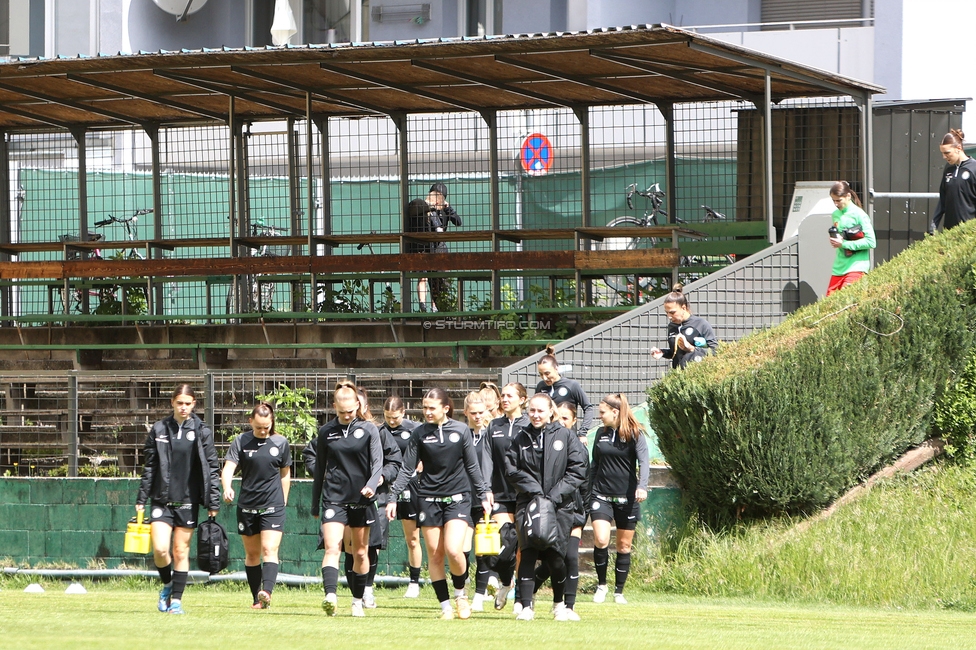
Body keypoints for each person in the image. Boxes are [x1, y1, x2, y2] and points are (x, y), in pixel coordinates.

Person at [386, 387, 493, 620]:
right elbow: (407, 468)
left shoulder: (461, 430)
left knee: (454, 550)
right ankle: (445, 607)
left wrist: (483, 494)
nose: (427, 412)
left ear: (446, 408)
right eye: (424, 407)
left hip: (458, 499)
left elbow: (473, 467)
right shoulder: (420, 433)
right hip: (428, 499)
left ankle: (461, 595)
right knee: (435, 555)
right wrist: (393, 496)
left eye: (432, 408)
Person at [136, 384, 220, 615]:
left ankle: (176, 601)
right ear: (172, 402)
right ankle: (167, 585)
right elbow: (150, 466)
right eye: (179, 403)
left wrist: (213, 502)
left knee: (181, 551)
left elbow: (212, 468)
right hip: (161, 500)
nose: (183, 407)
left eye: (188, 403)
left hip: (188, 500)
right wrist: (141, 497)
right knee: (162, 550)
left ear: (194, 404)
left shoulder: (202, 431)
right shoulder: (159, 428)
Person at [504, 393, 588, 621]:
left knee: (556, 558)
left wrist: (553, 496)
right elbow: (511, 469)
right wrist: (535, 492)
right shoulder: (520, 438)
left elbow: (577, 470)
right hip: (529, 504)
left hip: (559, 506)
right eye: (532, 410)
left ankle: (559, 605)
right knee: (528, 553)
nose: (535, 415)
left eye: (540, 410)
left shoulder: (566, 436)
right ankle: (526, 606)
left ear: (551, 411)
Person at [310, 382, 383, 617]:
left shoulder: (369, 430)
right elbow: (319, 469)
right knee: (332, 548)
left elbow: (377, 463)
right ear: (334, 407)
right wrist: (314, 503)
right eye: (341, 412)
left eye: (350, 411)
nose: (346, 415)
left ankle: (357, 600)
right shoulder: (326, 432)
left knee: (361, 552)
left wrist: (372, 485)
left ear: (357, 405)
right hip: (334, 498)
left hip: (361, 500)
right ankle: (330, 595)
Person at [220, 402, 292, 609]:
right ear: (251, 421)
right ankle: (256, 599)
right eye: (258, 427)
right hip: (247, 506)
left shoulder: (280, 442)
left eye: (266, 427)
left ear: (271, 423)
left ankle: (266, 592)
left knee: (269, 549)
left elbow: (285, 473)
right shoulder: (241, 441)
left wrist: (283, 500)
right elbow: (228, 469)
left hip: (272, 506)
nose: (262, 431)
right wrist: (227, 487)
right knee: (252, 554)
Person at [588, 393, 649, 605]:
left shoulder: (635, 433)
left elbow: (644, 462)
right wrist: (588, 490)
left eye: (603, 413)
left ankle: (618, 591)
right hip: (600, 495)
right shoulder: (599, 434)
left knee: (624, 546)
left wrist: (642, 487)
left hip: (627, 498)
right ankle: (602, 585)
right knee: (602, 539)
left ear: (615, 412)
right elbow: (594, 465)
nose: (600, 417)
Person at [532, 401, 587, 620]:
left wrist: (583, 513)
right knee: (553, 559)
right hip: (550, 508)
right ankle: (529, 589)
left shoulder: (578, 446)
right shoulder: (546, 442)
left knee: (570, 556)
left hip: (572, 509)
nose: (562, 421)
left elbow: (585, 482)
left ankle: (568, 606)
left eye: (567, 418)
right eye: (559, 417)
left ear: (574, 421)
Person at [486, 382, 529, 612]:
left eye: (510, 396)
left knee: (522, 549)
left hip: (524, 495)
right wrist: (486, 488)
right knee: (506, 544)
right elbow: (487, 460)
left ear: (522, 399)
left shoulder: (530, 424)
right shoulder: (494, 426)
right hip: (500, 494)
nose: (504, 399)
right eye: (502, 395)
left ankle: (521, 598)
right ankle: (505, 583)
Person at [359, 388, 403, 609]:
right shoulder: (333, 431)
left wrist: (382, 476)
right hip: (345, 499)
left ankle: (367, 589)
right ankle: (343, 592)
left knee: (372, 545)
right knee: (351, 547)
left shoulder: (379, 431)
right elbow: (313, 456)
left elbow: (395, 461)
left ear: (364, 406)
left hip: (377, 497)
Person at [380, 395, 424, 598]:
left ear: (403, 413)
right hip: (383, 487)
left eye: (395, 417)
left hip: (408, 487)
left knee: (412, 538)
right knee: (375, 537)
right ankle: (367, 584)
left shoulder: (414, 429)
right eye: (388, 417)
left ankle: (414, 582)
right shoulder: (379, 431)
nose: (391, 421)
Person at [461, 391, 495, 612]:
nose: (477, 416)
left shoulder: (492, 433)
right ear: (466, 413)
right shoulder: (461, 433)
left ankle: (479, 596)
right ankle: (461, 587)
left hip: (485, 498)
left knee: (483, 549)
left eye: (481, 412)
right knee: (460, 549)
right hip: (463, 497)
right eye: (473, 413)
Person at [824, 180, 876, 296]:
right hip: (838, 267)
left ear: (848, 196)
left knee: (846, 303)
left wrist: (844, 244)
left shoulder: (860, 215)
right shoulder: (835, 215)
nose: (836, 204)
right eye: (833, 201)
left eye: (838, 200)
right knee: (829, 304)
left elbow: (871, 242)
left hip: (856, 267)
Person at [650, 285, 718, 368]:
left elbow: (715, 351)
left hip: (697, 375)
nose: (669, 316)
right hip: (678, 377)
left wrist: (691, 349)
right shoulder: (672, 326)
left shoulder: (701, 324)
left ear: (683, 308)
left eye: (672, 312)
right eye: (666, 313)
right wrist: (662, 352)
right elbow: (674, 353)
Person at [535, 345, 595, 432]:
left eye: (547, 373)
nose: (544, 378)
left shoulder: (572, 385)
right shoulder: (541, 386)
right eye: (541, 374)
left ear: (556, 369)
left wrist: (583, 432)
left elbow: (588, 408)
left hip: (567, 435)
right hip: (546, 435)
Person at [930, 128, 976, 233]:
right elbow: (943, 200)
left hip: (969, 233)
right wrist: (933, 226)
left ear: (958, 148)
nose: (944, 157)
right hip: (949, 232)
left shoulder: (974, 168)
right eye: (942, 153)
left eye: (947, 153)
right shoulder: (948, 169)